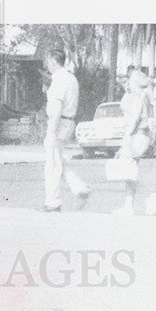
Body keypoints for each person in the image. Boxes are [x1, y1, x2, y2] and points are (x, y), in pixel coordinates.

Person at [43, 47, 89, 212]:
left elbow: (57, 106)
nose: (47, 65)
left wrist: (52, 130)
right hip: (69, 121)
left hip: (59, 122)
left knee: (53, 164)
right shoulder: (71, 79)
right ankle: (79, 187)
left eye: (48, 61)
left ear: (53, 61)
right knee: (59, 160)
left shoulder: (59, 80)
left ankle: (53, 202)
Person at [112, 70, 156, 216]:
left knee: (128, 170)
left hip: (138, 135)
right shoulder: (134, 96)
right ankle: (129, 206)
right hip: (138, 135)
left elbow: (133, 122)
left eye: (130, 81)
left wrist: (125, 142)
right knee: (129, 171)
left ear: (135, 83)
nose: (128, 83)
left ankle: (149, 196)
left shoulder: (139, 98)